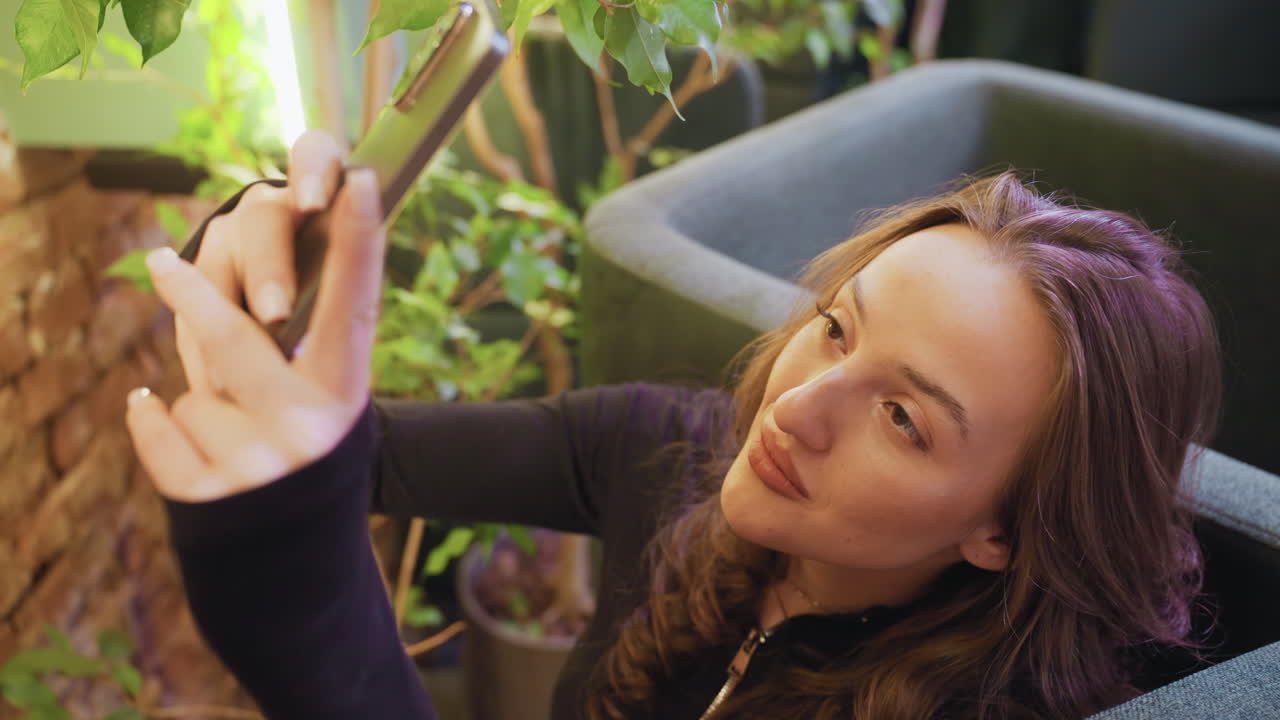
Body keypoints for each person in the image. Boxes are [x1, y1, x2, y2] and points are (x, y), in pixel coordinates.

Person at [124, 130, 1222, 720]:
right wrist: (269, 272)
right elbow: (350, 447)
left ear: (1001, 530)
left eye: (901, 417)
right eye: (836, 330)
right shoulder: (674, 448)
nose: (793, 409)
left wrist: (302, 613)